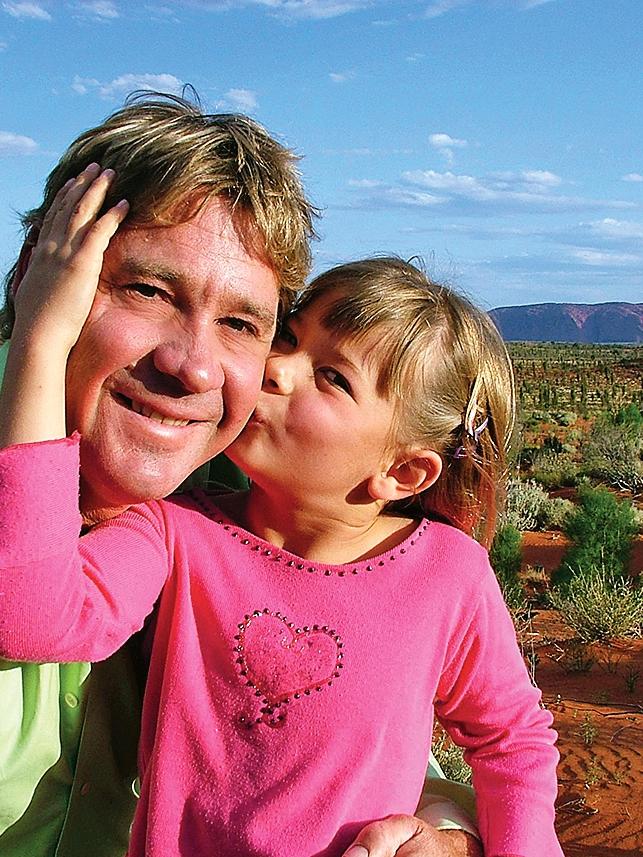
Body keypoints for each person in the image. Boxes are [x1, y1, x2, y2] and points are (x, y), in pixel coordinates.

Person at [0, 161, 562, 856]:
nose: (273, 367)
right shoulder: (179, 530)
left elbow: (510, 737)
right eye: (289, 341)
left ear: (401, 470)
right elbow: (32, 614)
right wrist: (41, 341)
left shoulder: (447, 573)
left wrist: (462, 839)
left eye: (330, 376)